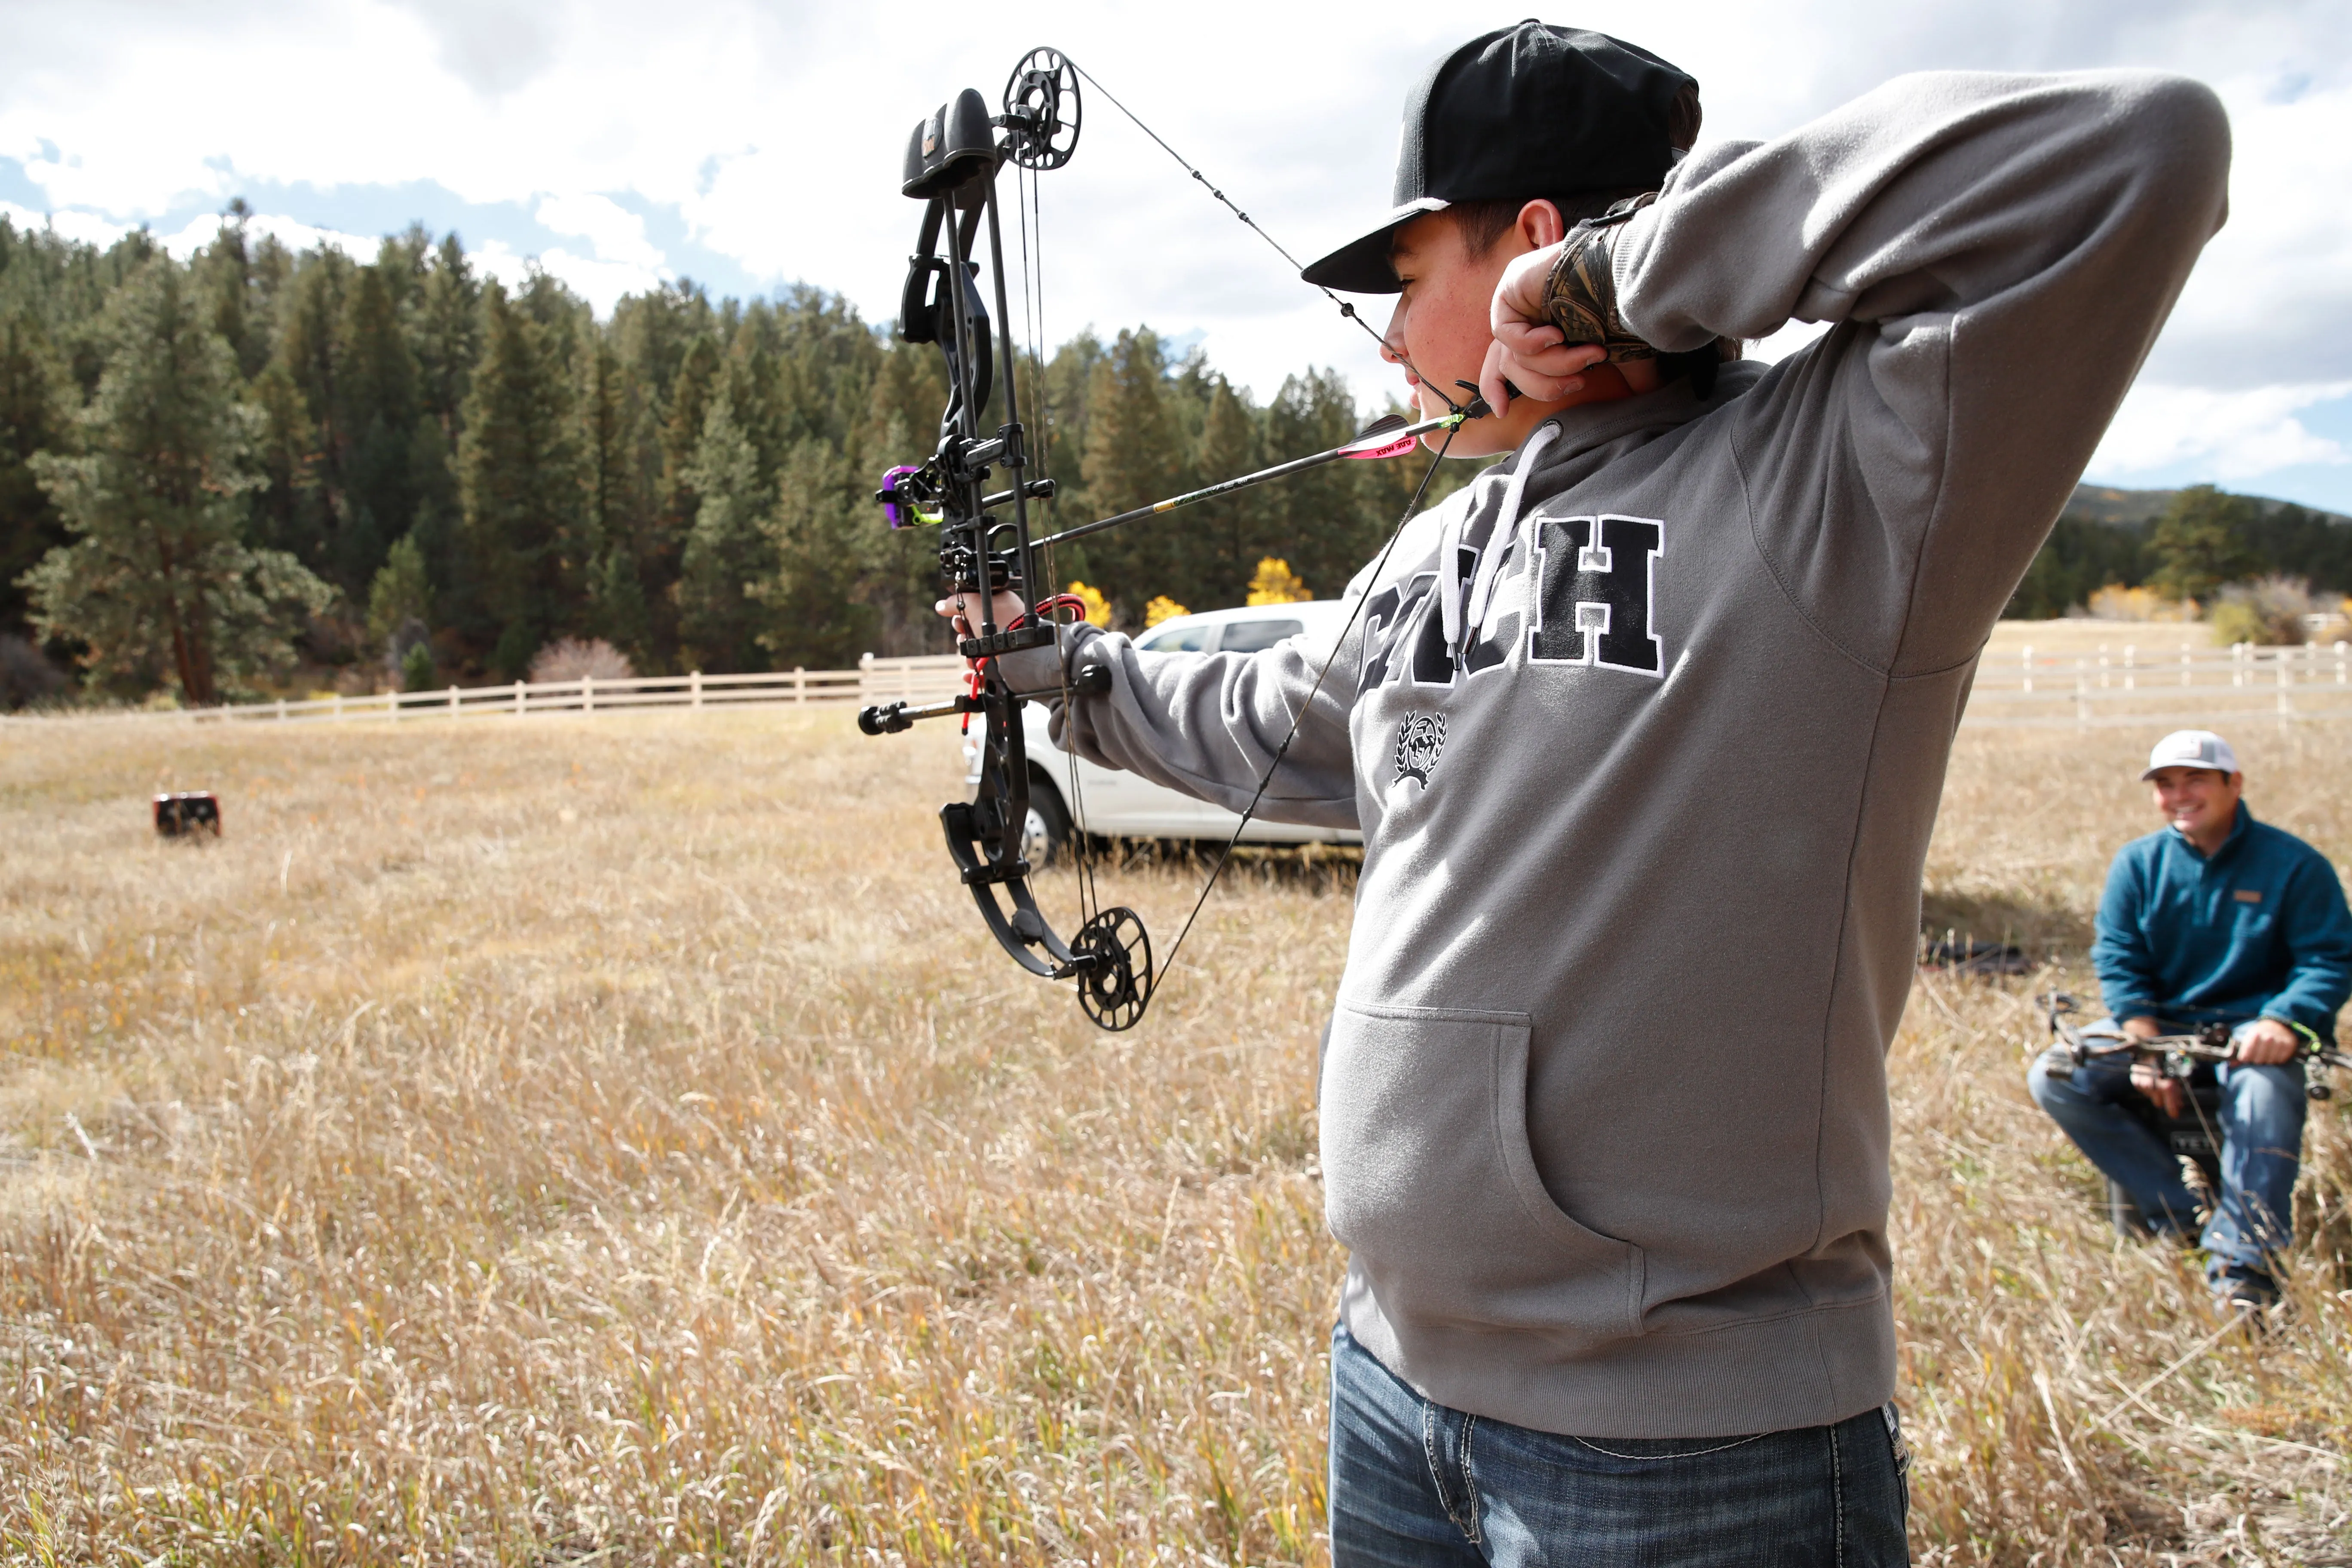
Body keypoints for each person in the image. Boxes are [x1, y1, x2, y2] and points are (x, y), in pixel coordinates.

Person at [951, 21, 2229, 1563]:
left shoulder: (1835, 479)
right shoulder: (1443, 544)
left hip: (1689, 1455)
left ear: (1528, 252)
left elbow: (2142, 150)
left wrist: (1611, 283)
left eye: (1406, 280)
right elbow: (1284, 718)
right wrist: (1058, 671)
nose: (1383, 341)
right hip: (1390, 1377)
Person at [2028, 730, 2352, 1312]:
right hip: (2164, 1028)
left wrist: (2284, 1021)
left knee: (2262, 1098)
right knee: (2054, 1075)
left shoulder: (2296, 867)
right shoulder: (2138, 865)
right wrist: (2146, 1045)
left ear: (2235, 784)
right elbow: (2119, 960)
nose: (2180, 795)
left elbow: (2329, 961)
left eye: (2195, 780)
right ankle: (2179, 1215)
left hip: (2254, 1035)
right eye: (2165, 785)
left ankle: (2244, 1266)